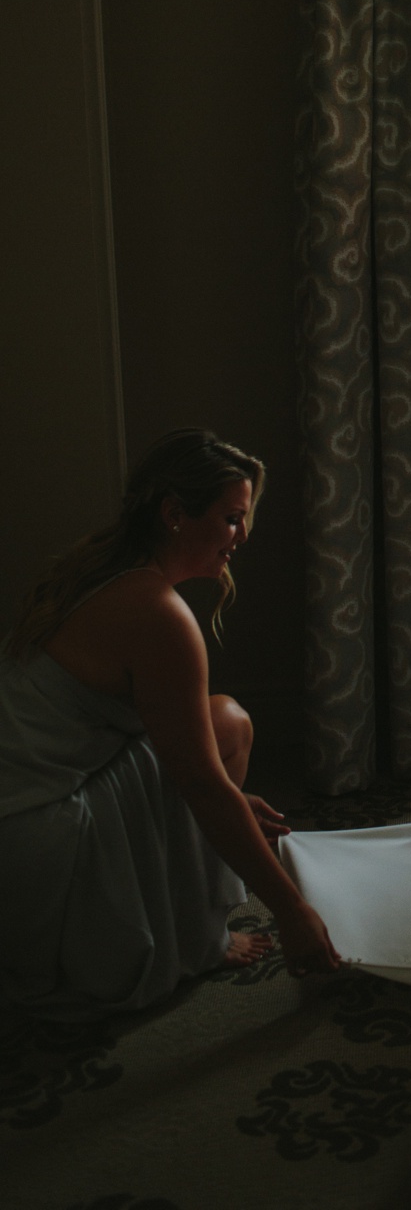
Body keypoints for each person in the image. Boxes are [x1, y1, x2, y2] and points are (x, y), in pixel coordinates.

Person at [0, 429, 340, 1019]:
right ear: (175, 514)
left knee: (220, 727)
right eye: (232, 518)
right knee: (225, 730)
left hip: (21, 803)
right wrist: (294, 914)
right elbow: (200, 783)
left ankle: (188, 917)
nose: (244, 536)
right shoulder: (158, 614)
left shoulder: (104, 564)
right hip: (35, 837)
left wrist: (223, 795)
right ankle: (195, 937)